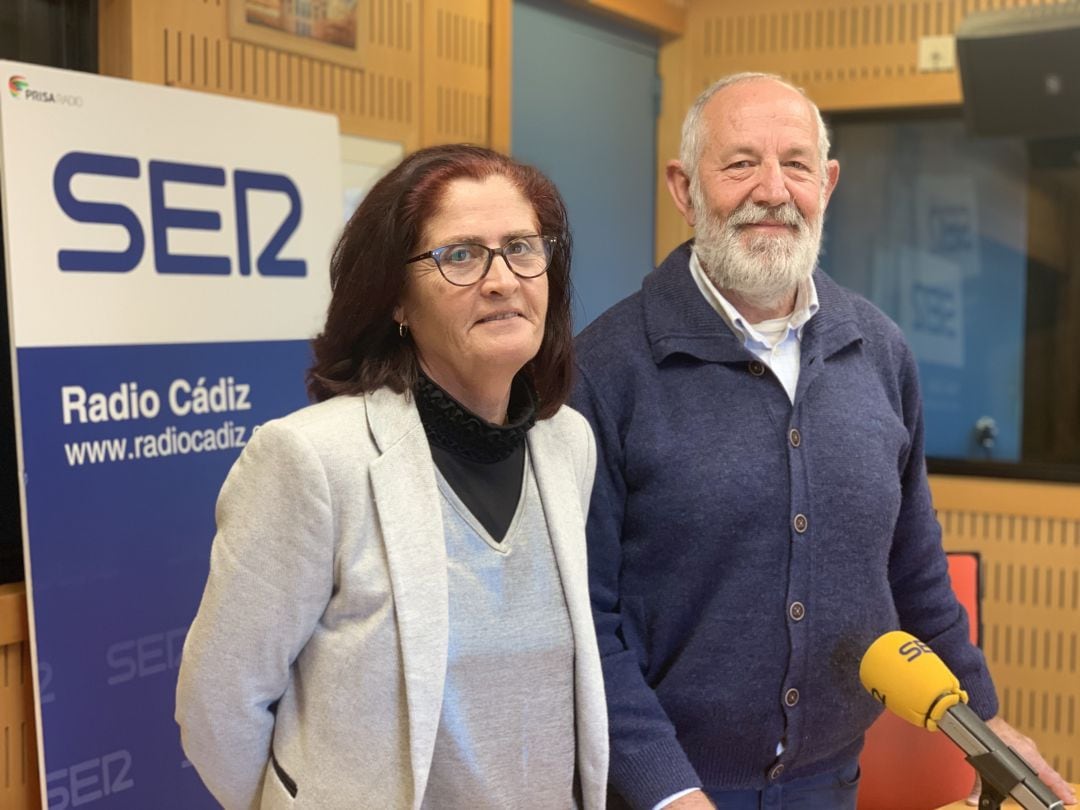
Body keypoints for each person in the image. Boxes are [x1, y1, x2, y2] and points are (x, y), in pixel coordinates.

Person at [570, 72, 1076, 810]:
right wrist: (667, 791)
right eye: (740, 163)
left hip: (829, 784)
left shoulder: (880, 349)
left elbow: (915, 564)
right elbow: (589, 621)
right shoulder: (604, 369)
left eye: (796, 164)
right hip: (659, 792)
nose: (772, 190)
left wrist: (985, 721)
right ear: (684, 188)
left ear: (827, 183)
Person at [176, 144, 608, 810]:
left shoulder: (568, 446)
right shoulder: (314, 461)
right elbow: (218, 705)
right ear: (397, 301)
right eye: (460, 255)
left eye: (522, 247)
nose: (502, 280)